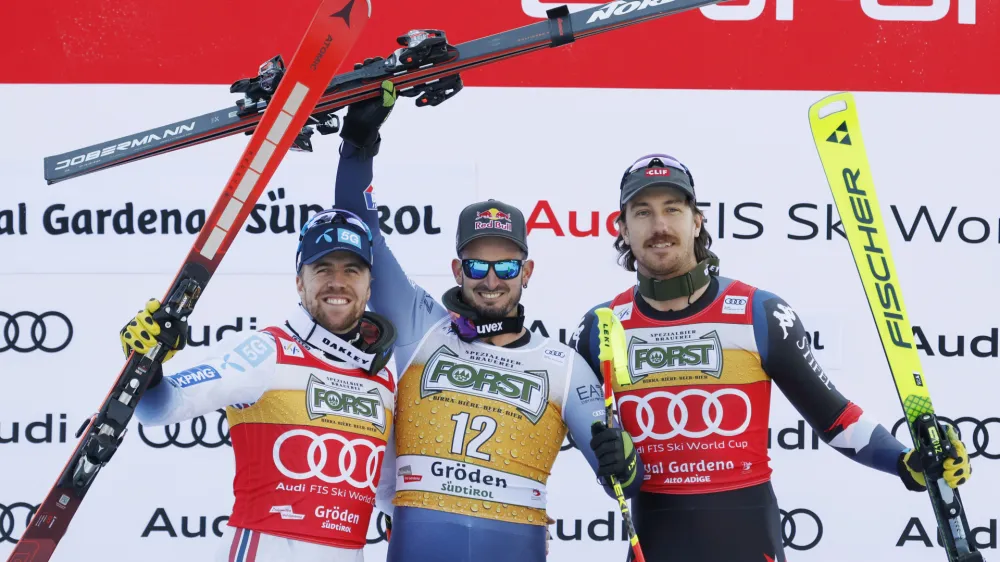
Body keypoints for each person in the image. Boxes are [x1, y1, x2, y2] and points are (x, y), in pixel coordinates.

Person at [569, 153, 973, 562]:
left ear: (697, 221)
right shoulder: (600, 326)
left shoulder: (756, 311)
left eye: (673, 209)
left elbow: (835, 417)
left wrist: (905, 463)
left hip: (748, 542)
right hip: (654, 544)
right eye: (642, 213)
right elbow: (574, 434)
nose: (659, 226)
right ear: (622, 228)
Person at [330, 80, 644, 562]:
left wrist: (622, 462)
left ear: (527, 272)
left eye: (506, 266)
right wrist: (358, 146)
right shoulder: (421, 327)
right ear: (458, 270)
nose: (491, 280)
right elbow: (357, 224)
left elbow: (621, 483)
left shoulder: (563, 366)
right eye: (477, 266)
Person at [121, 205, 398, 562]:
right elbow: (162, 406)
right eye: (322, 268)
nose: (337, 281)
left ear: (368, 284)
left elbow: (391, 491)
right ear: (300, 281)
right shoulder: (267, 351)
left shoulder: (384, 376)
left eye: (352, 270)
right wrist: (148, 363)